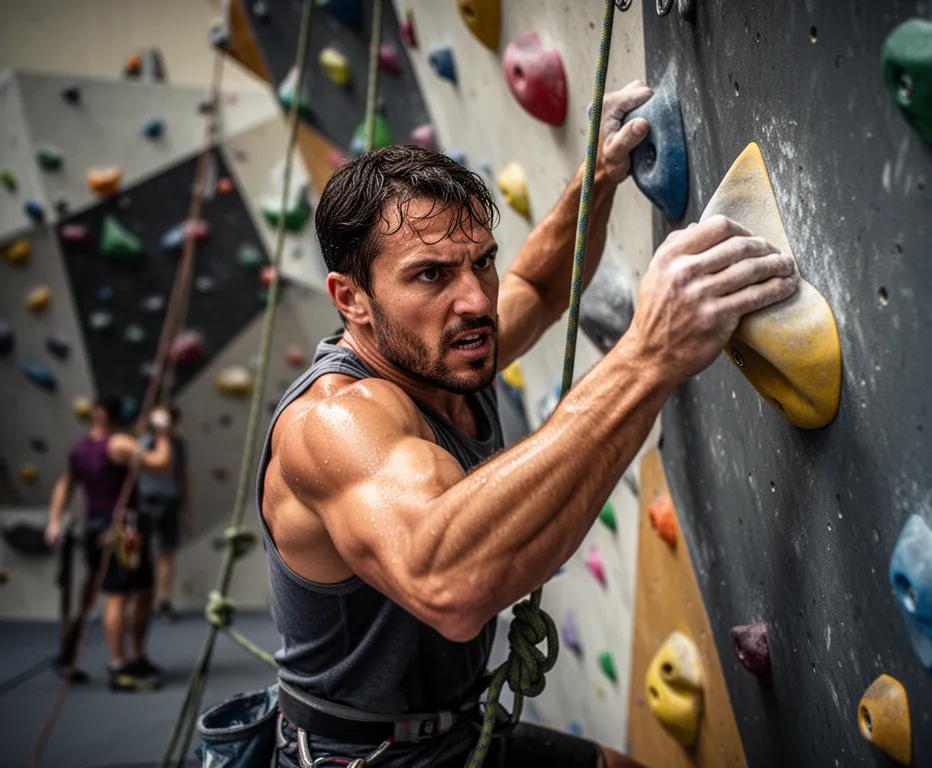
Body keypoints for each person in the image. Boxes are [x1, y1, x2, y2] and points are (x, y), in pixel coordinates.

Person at [258, 81, 797, 767]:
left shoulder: (447, 345)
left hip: (454, 727)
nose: (475, 299)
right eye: (429, 275)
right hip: (360, 756)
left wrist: (597, 175)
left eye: (479, 261)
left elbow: (540, 288)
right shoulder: (334, 423)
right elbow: (448, 584)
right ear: (352, 300)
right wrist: (649, 356)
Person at [46, 396, 173, 692]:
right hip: (122, 530)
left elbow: (65, 483)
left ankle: (136, 656)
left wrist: (54, 521)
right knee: (118, 595)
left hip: (96, 527)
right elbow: (162, 464)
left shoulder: (81, 448)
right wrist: (163, 431)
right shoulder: (119, 445)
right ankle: (119, 665)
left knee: (142, 590)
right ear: (118, 416)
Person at [137, 405, 190, 621]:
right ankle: (141, 599)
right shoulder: (143, 443)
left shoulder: (178, 444)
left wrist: (186, 507)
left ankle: (164, 600)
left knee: (166, 551)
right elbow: (160, 463)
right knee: (140, 555)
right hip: (144, 502)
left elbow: (181, 474)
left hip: (170, 500)